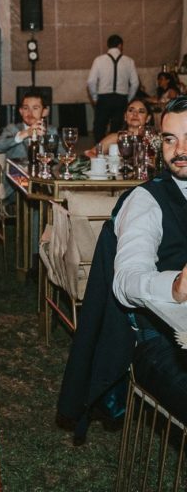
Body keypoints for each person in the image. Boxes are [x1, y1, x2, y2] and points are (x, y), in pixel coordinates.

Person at [112, 95, 187, 424]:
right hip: (162, 341)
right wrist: (174, 286)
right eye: (170, 139)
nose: (179, 149)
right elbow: (125, 281)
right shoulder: (146, 200)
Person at [87, 34, 138, 143]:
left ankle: (99, 149)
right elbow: (135, 83)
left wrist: (95, 97)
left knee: (99, 128)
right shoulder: (129, 61)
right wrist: (128, 99)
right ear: (120, 45)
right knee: (118, 130)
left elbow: (91, 81)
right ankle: (115, 150)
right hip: (121, 99)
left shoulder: (99, 60)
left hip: (104, 99)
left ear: (108, 45)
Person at [0, 89, 58, 161]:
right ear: (21, 111)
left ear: (45, 112)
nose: (30, 113)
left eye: (35, 108)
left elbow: (61, 156)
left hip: (45, 167)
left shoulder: (51, 131)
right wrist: (26, 133)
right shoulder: (12, 129)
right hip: (19, 168)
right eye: (26, 108)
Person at [85, 97, 153, 157]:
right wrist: (104, 162)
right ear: (125, 116)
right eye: (131, 110)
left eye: (141, 111)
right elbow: (90, 153)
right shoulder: (115, 138)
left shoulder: (152, 140)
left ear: (148, 118)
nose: (135, 114)